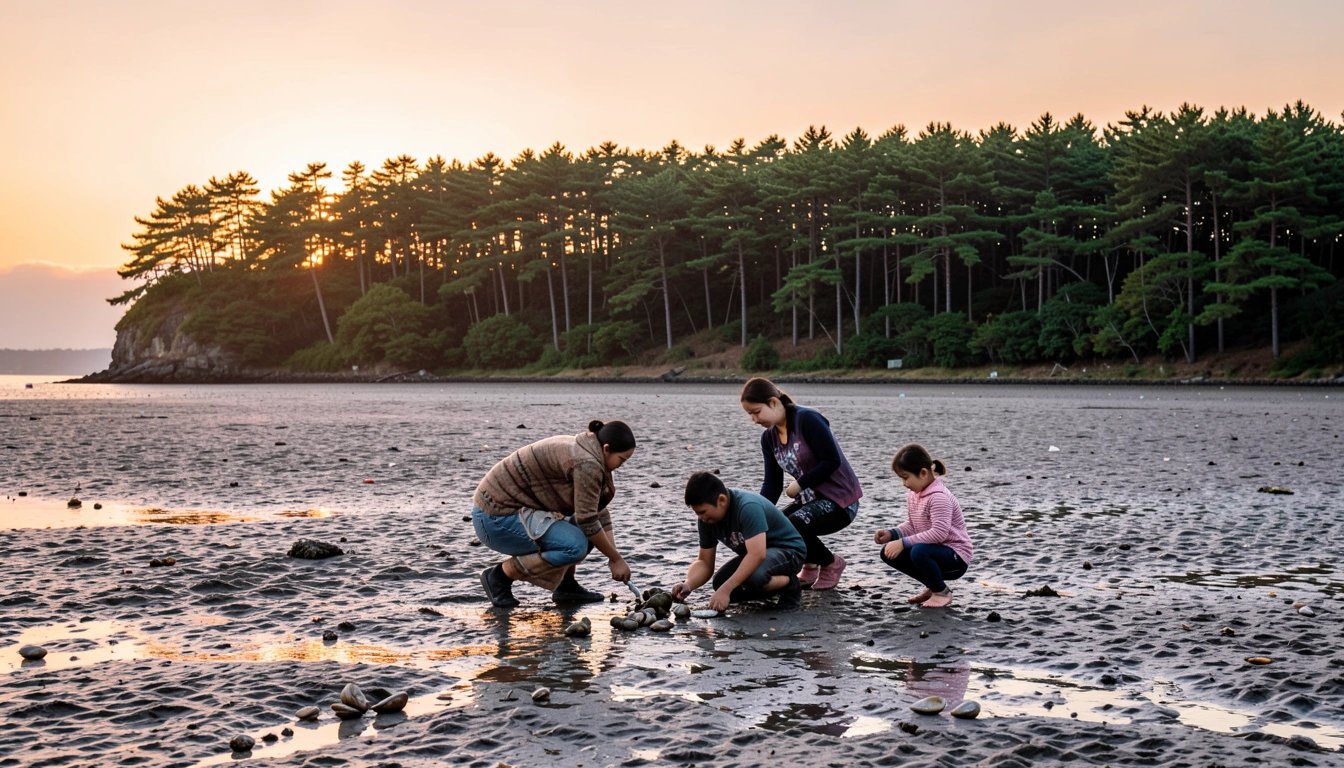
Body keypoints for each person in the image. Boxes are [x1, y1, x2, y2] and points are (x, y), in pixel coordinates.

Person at [473, 420, 636, 608]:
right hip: (495, 518)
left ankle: (566, 586)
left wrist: (613, 557)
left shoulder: (592, 449)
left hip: (520, 511)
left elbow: (597, 511)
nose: (621, 465)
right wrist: (616, 559)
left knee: (590, 535)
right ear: (607, 449)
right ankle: (499, 576)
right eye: (622, 460)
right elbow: (588, 520)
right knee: (574, 546)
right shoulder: (587, 463)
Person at [739, 377, 862, 591]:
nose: (753, 420)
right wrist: (757, 511)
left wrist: (800, 484)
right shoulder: (768, 438)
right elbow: (772, 483)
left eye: (756, 412)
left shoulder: (807, 419)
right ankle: (810, 563)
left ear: (773, 402)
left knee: (793, 524)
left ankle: (831, 563)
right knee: (774, 527)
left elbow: (832, 460)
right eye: (749, 414)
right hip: (809, 501)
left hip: (840, 500)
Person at [671, 471, 806, 611]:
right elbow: (704, 562)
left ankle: (790, 584)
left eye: (703, 512)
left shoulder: (747, 507)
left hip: (790, 552)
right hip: (762, 556)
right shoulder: (706, 520)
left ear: (721, 500)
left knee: (752, 578)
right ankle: (770, 589)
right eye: (697, 513)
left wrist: (727, 589)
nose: (701, 517)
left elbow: (757, 554)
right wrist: (689, 584)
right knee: (720, 582)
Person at [875, 443, 973, 609]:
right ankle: (933, 586)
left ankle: (941, 592)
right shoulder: (914, 495)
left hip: (956, 557)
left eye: (905, 477)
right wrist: (893, 534)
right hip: (934, 552)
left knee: (918, 551)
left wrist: (903, 542)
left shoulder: (938, 497)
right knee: (888, 552)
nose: (904, 483)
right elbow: (914, 525)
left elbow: (939, 534)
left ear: (923, 473)